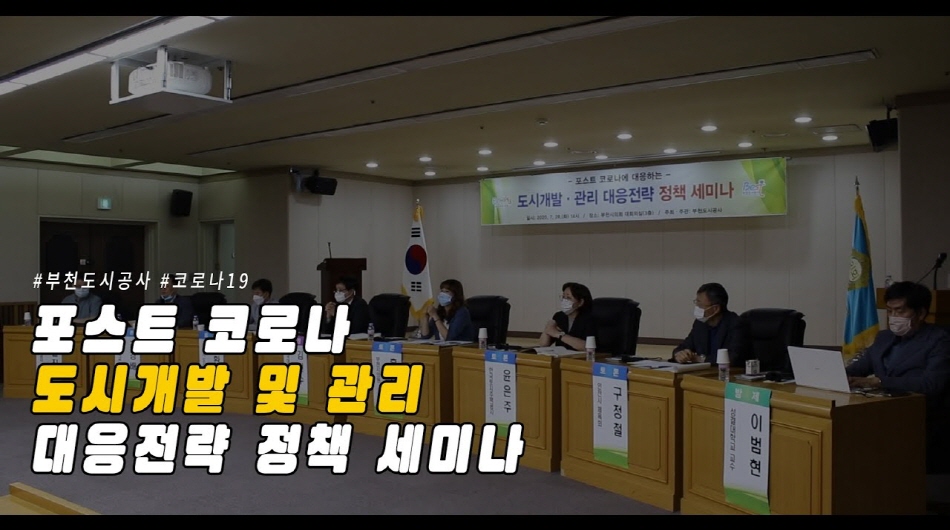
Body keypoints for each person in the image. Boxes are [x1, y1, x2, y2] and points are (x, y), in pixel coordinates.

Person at [846, 281, 950, 472]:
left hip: (918, 419)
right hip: (880, 413)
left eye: (900, 311)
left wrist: (879, 381)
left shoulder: (939, 340)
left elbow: (932, 384)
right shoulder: (884, 337)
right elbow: (859, 368)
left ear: (920, 313)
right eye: (889, 311)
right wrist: (833, 373)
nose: (893, 317)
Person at [672, 282, 750, 366]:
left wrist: (701, 359)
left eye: (700, 304)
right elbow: (684, 346)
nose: (697, 308)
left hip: (730, 372)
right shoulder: (700, 324)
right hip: (706, 372)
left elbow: (733, 357)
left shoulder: (736, 324)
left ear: (715, 309)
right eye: (696, 303)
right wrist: (679, 354)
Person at [539, 282, 596, 351]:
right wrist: (548, 329)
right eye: (563, 297)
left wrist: (558, 334)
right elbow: (543, 344)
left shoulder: (590, 318)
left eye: (568, 298)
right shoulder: (559, 316)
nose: (564, 301)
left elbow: (587, 346)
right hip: (561, 355)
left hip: (581, 356)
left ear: (580, 302)